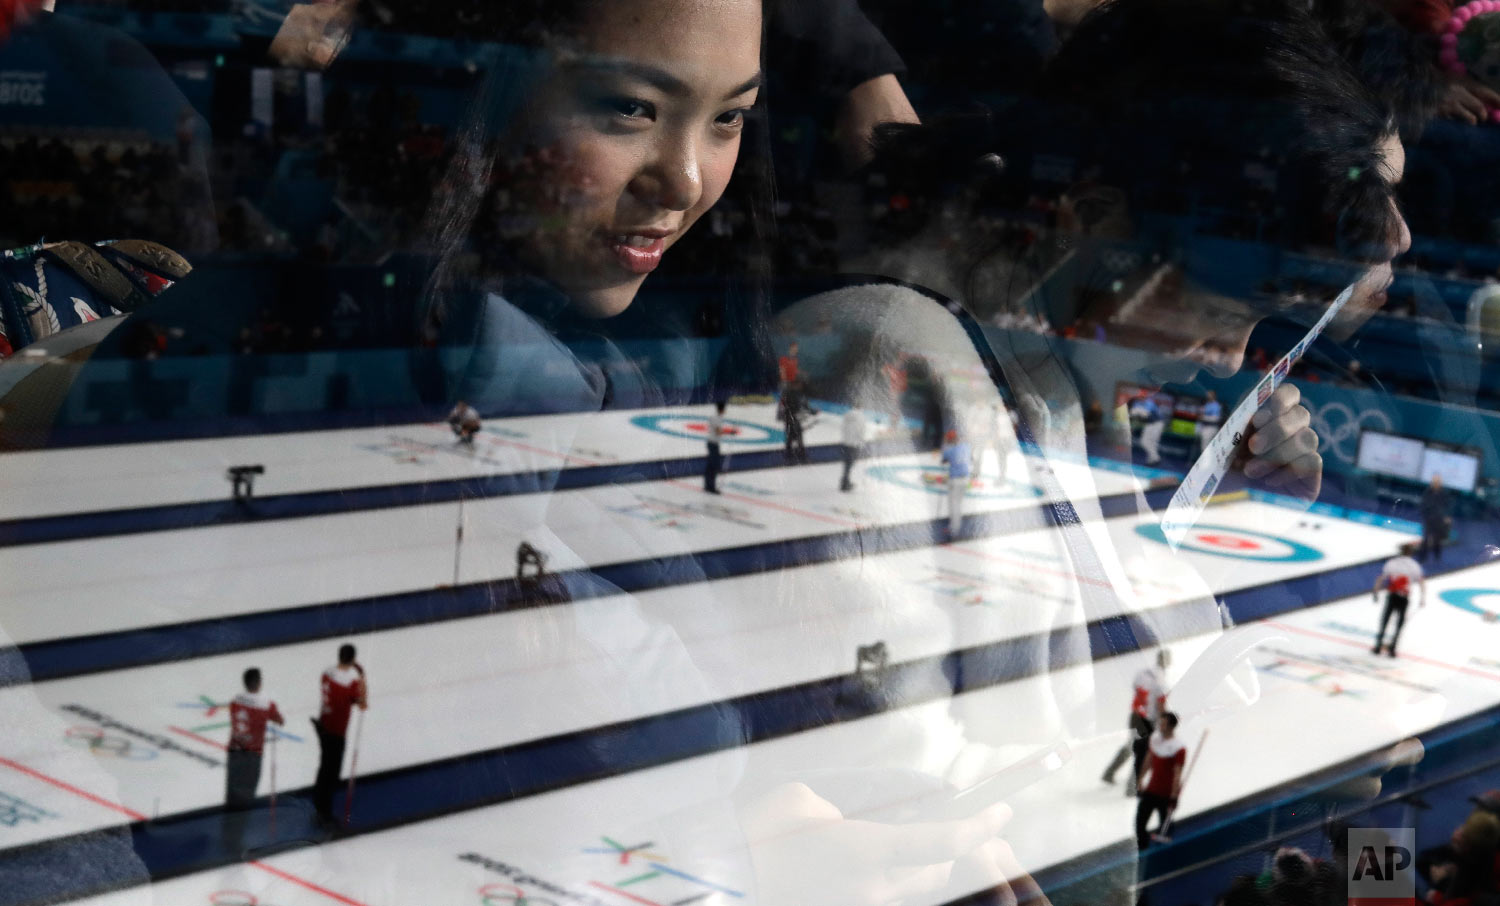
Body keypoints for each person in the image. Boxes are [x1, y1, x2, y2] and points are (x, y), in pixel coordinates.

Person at [224, 667, 284, 855]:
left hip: (234, 752)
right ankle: (235, 842)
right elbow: (279, 719)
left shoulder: (235, 701)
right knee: (244, 797)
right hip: (251, 755)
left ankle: (227, 834)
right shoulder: (265, 704)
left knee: (232, 793)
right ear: (258, 683)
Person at [312, 643, 367, 827]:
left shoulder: (327, 673)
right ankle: (324, 813)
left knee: (324, 766)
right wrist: (361, 676)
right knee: (331, 771)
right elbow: (362, 703)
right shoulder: (350, 683)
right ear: (352, 659)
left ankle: (318, 803)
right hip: (336, 731)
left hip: (323, 724)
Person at [1102, 649, 1170, 796]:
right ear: (1167, 662)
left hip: (1135, 717)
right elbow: (1161, 704)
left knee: (1130, 747)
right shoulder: (1161, 680)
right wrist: (1163, 721)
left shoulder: (1142, 673)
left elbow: (1136, 689)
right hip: (1147, 721)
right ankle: (1131, 789)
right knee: (1143, 753)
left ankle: (1109, 773)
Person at [1135, 711, 1187, 850]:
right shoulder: (1156, 739)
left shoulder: (1178, 748)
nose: (1160, 727)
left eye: (1163, 725)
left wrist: (1174, 797)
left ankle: (1165, 852)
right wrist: (1141, 778)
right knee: (1140, 823)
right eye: (1160, 724)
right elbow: (1148, 759)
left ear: (1171, 727)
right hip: (1151, 790)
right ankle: (1142, 850)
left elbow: (1177, 774)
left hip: (1166, 794)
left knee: (1166, 827)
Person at [1373, 541, 1426, 656]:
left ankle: (1378, 645)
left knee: (1385, 620)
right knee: (1399, 623)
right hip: (1404, 598)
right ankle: (1393, 648)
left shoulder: (1392, 563)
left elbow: (1381, 578)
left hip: (1392, 596)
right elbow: (1421, 582)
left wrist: (1376, 592)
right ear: (1411, 553)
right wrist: (1422, 598)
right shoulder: (1414, 566)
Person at [939, 429, 972, 537]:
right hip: (965, 479)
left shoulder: (950, 450)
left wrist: (944, 444)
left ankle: (954, 529)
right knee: (959, 503)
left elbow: (943, 460)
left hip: (955, 480)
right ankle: (956, 526)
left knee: (954, 505)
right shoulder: (966, 447)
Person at [1420, 473, 1452, 562]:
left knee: (1437, 539)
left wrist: (1447, 516)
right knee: (1426, 538)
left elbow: (1448, 506)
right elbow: (1423, 504)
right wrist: (1425, 514)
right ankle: (1422, 558)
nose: (1436, 483)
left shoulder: (1445, 493)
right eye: (1434, 482)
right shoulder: (1427, 492)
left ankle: (1437, 556)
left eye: (1437, 482)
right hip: (1429, 519)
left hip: (1440, 520)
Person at [1134, 394, 1167, 466]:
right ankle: (1153, 459)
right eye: (1140, 396)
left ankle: (1154, 459)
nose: (1141, 397)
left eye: (1143, 396)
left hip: (1157, 423)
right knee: (1145, 442)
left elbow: (1146, 414)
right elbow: (1133, 413)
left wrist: (1137, 412)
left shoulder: (1149, 402)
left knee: (1150, 442)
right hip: (1149, 423)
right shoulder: (1137, 403)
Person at [840, 405, 866, 491]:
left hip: (846, 442)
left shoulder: (847, 414)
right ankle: (845, 483)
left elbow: (843, 427)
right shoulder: (861, 416)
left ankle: (845, 481)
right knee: (850, 463)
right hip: (854, 443)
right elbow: (861, 430)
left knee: (847, 463)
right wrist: (861, 442)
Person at [704, 400, 726, 494]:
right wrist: (727, 432)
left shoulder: (715, 417)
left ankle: (708, 485)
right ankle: (711, 486)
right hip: (713, 444)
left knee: (711, 465)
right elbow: (718, 431)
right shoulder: (717, 419)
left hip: (712, 443)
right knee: (713, 465)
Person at [1195, 391, 1223, 461]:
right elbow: (1200, 417)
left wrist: (1204, 417)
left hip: (1211, 428)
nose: (1208, 396)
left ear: (1214, 396)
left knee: (1208, 447)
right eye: (1208, 395)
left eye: (1210, 395)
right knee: (1203, 446)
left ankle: (1207, 461)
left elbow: (1216, 419)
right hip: (1204, 427)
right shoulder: (1206, 405)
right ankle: (1204, 461)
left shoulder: (1216, 405)